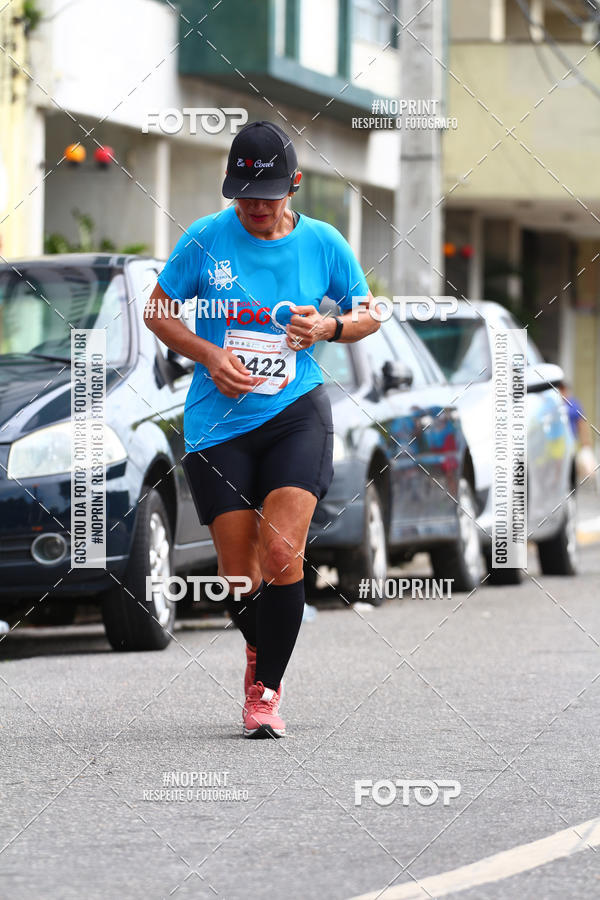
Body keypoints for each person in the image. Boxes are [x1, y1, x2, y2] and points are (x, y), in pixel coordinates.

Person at [144, 120, 379, 738]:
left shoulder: (324, 243)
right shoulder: (205, 239)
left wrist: (327, 328)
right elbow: (157, 311)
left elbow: (367, 313)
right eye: (242, 195)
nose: (253, 207)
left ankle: (265, 692)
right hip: (217, 424)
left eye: (267, 196)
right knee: (238, 573)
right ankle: (264, 644)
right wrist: (208, 354)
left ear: (294, 186)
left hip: (296, 411)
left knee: (281, 552)